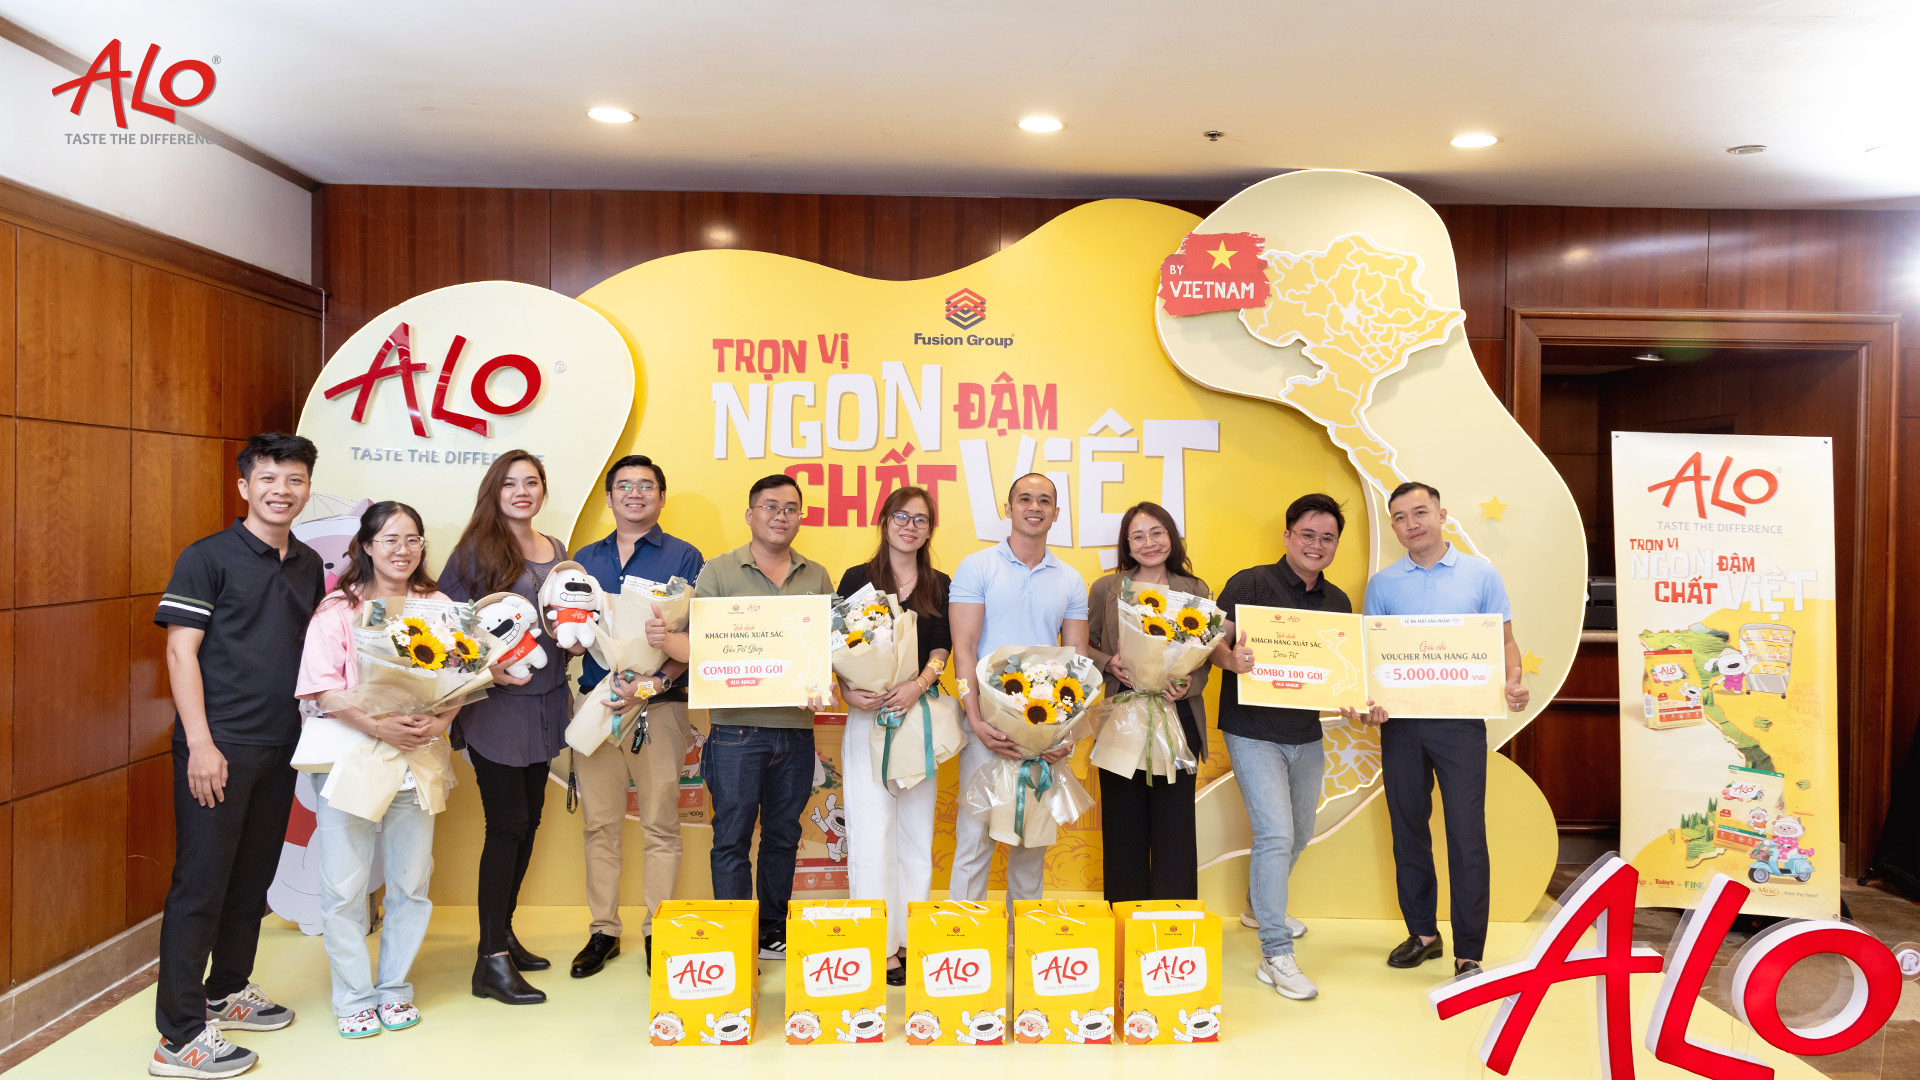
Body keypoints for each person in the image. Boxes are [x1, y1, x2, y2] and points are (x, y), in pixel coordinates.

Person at [150, 433, 324, 1079]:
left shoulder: (307, 562)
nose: (282, 490)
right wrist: (200, 743)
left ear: (307, 489)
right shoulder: (207, 558)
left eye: (295, 479)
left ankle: (225, 990)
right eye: (269, 478)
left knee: (252, 881)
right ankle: (178, 1037)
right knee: (200, 886)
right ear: (245, 486)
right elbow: (180, 652)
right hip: (218, 747)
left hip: (282, 745)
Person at [655, 474, 834, 960]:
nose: (781, 515)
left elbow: (825, 645)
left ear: (800, 517)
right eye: (771, 506)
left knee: (784, 836)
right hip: (735, 729)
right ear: (751, 514)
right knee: (731, 837)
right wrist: (663, 636)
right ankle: (736, 932)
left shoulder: (817, 575)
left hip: (796, 730)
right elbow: (699, 644)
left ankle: (772, 930)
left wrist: (824, 677)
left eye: (791, 508)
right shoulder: (718, 572)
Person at [294, 501, 456, 1038]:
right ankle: (353, 997)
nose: (402, 550)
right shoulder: (337, 609)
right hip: (353, 758)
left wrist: (441, 719)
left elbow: (462, 673)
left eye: (412, 539)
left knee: (411, 883)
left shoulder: (438, 605)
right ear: (366, 546)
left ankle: (393, 989)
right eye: (390, 539)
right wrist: (377, 725)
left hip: (417, 757)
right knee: (344, 888)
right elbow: (321, 689)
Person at [1362, 481, 1530, 977]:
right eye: (1399, 517)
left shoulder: (1481, 573)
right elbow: (1372, 658)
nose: (1411, 524)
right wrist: (1369, 701)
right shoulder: (1382, 585)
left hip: (1460, 723)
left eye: (1420, 512)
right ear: (1393, 527)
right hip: (1400, 724)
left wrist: (1513, 680)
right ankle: (1423, 934)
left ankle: (1468, 950)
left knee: (1465, 833)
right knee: (1408, 829)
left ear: (1442, 515)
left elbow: (1505, 642)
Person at [1210, 493, 1357, 1002]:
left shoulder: (1338, 602)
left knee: (1300, 833)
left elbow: (1338, 675)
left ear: (1335, 544)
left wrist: (1354, 700)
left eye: (1327, 538)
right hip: (1251, 729)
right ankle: (1275, 954)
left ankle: (1257, 907)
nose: (1317, 545)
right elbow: (1210, 643)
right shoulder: (1250, 583)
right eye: (1307, 534)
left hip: (1306, 733)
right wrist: (1231, 660)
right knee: (1275, 834)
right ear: (1288, 535)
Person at [439, 450, 573, 1004]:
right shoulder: (475, 550)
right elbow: (447, 628)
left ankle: (503, 932)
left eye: (532, 482)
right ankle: (489, 962)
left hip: (547, 703)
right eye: (511, 483)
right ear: (494, 491)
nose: (522, 491)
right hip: (496, 709)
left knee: (529, 822)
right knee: (507, 825)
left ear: (543, 489)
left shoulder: (556, 549)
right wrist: (486, 670)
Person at [567, 455, 703, 979]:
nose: (635, 493)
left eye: (647, 485)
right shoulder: (585, 558)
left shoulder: (685, 556)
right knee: (599, 825)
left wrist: (654, 681)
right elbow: (572, 628)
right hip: (597, 703)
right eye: (624, 485)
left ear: (661, 498)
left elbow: (694, 635)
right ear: (609, 497)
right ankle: (603, 931)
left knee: (661, 825)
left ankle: (657, 930)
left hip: (660, 707)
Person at [948, 473, 1089, 902]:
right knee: (975, 837)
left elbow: (1078, 662)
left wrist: (1066, 731)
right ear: (1008, 508)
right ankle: (963, 933)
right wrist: (975, 718)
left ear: (1056, 513)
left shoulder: (1070, 579)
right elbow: (963, 648)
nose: (1034, 507)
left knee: (1032, 839)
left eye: (1044, 501)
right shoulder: (977, 567)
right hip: (986, 726)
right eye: (1025, 499)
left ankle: (1023, 933)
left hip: (1045, 727)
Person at [833, 486, 951, 986]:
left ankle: (910, 938)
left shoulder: (940, 583)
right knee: (870, 829)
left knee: (916, 834)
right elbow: (838, 641)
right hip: (868, 716)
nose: (910, 526)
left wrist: (918, 685)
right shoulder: (856, 579)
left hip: (917, 715)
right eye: (901, 516)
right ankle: (876, 943)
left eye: (921, 520)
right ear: (884, 521)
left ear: (929, 530)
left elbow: (943, 647)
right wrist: (847, 691)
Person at [1086, 502, 1211, 903]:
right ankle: (1124, 925)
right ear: (1127, 545)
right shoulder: (1106, 589)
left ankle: (1173, 927)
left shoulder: (1195, 589)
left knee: (1176, 830)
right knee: (1123, 828)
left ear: (1171, 536)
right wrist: (1109, 663)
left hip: (1178, 718)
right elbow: (1082, 645)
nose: (1149, 543)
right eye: (1137, 536)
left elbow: (1206, 657)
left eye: (1157, 532)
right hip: (1122, 717)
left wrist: (1187, 685)